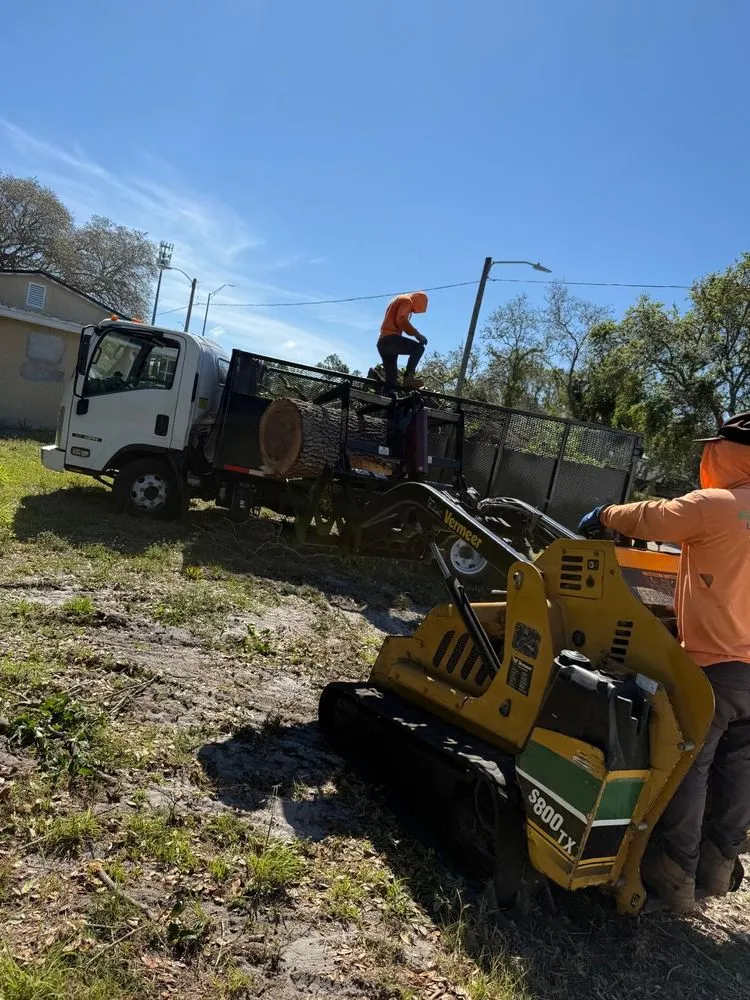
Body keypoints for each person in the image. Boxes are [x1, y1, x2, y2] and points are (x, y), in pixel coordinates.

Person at [578, 413, 750, 913]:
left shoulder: (717, 505)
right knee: (740, 767)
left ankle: (674, 874)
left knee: (688, 765)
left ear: (725, 453)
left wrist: (605, 514)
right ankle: (719, 866)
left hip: (715, 668)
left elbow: (653, 517)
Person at [376, 291, 429, 391]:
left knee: (391, 381)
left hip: (383, 343)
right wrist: (417, 335)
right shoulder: (406, 300)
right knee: (418, 348)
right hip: (390, 339)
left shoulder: (398, 299)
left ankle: (384, 399)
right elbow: (401, 319)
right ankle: (408, 378)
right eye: (413, 310)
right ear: (418, 301)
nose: (412, 311)